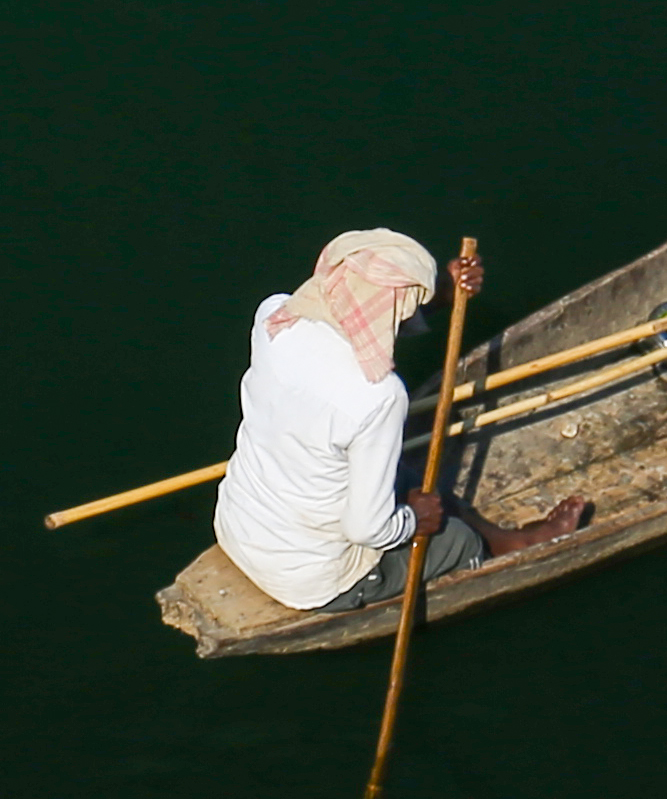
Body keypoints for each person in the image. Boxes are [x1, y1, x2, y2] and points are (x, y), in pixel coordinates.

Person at [207, 229, 588, 617]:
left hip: (235, 524)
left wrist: (443, 293)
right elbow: (365, 530)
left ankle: (509, 539)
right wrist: (413, 520)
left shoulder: (274, 316)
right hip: (315, 580)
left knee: (407, 479)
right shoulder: (379, 397)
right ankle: (500, 548)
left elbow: (357, 322)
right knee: (453, 535)